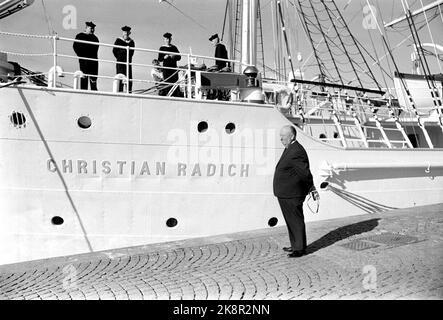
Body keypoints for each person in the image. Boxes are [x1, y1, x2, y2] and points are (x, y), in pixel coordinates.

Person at [273, 125, 318, 258]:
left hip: (292, 194)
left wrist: (311, 187)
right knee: (290, 221)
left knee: (296, 221)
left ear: (292, 136)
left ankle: (299, 249)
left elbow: (304, 173)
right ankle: (295, 245)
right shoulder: (290, 148)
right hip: (286, 193)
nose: (281, 138)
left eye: (283, 136)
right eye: (280, 136)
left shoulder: (296, 151)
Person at [73, 21, 99, 90]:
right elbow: (75, 47)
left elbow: (96, 50)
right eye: (91, 28)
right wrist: (81, 55)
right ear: (86, 28)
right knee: (84, 77)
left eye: (93, 28)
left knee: (93, 79)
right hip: (84, 60)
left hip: (93, 61)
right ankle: (83, 92)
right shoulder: (80, 36)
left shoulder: (95, 38)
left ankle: (94, 93)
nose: (93, 30)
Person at [157, 32, 181, 97]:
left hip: (173, 67)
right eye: (166, 39)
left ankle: (176, 95)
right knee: (167, 82)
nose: (168, 40)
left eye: (169, 39)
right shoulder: (162, 48)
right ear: (164, 39)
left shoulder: (174, 48)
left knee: (175, 82)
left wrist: (174, 56)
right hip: (166, 68)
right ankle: (168, 95)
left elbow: (179, 57)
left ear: (171, 39)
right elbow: (159, 59)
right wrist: (164, 57)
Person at [113, 25, 135, 93]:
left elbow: (131, 53)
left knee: (129, 79)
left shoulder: (131, 42)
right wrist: (120, 56)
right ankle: (119, 92)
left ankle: (129, 92)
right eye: (125, 32)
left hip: (128, 62)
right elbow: (114, 51)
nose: (126, 33)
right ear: (123, 33)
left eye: (127, 32)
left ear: (129, 33)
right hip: (120, 62)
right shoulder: (118, 40)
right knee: (120, 77)